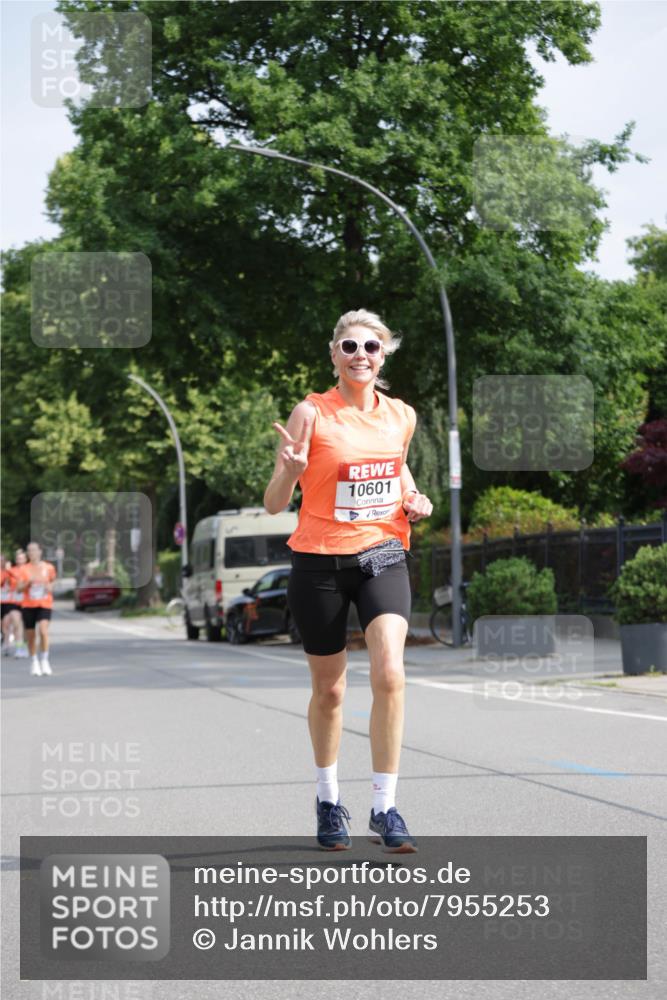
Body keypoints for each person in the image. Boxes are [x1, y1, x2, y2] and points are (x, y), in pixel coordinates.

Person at [264, 309, 433, 853]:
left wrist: (415, 497)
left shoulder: (401, 415)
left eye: (371, 347)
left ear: (383, 357)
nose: (361, 355)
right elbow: (272, 504)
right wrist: (290, 469)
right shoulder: (311, 413)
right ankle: (328, 799)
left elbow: (397, 468)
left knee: (389, 672)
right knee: (330, 690)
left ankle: (385, 808)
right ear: (334, 355)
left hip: (383, 552)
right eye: (350, 346)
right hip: (318, 562)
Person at [15, 541, 57, 676]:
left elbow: (53, 584)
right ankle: (34, 661)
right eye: (29, 550)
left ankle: (45, 660)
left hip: (44, 603)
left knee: (44, 631)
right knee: (31, 636)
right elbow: (18, 589)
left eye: (34, 550)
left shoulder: (48, 568)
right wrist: (29, 582)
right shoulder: (24, 569)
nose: (31, 553)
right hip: (28, 605)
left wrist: (48, 586)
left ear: (40, 552)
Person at [1, 552, 28, 658]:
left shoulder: (30, 570)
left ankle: (24, 645)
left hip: (27, 602)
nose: (19, 560)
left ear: (25, 559)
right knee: (14, 622)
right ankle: (17, 647)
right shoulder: (11, 571)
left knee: (26, 626)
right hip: (14, 602)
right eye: (18, 558)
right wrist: (7, 587)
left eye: (21, 558)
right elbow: (4, 583)